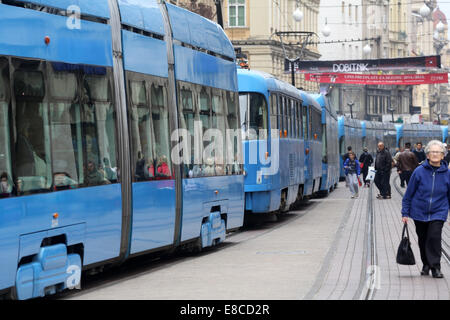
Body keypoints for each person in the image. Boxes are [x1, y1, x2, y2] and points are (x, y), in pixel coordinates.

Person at [401, 140, 449, 279]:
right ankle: (426, 264)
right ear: (427, 155)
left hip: (438, 211)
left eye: (438, 152)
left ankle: (435, 267)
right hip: (419, 212)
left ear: (442, 155)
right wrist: (405, 212)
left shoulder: (447, 174)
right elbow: (409, 193)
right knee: (423, 239)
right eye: (432, 152)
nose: (435, 154)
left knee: (434, 237)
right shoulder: (419, 171)